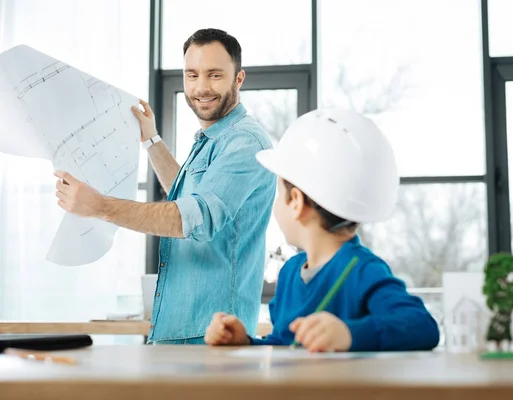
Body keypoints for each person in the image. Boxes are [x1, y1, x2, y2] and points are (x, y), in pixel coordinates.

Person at [53, 28, 276, 344]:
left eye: (214, 75)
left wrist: (99, 207)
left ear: (238, 79)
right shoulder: (214, 139)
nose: (201, 87)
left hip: (212, 338)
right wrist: (151, 140)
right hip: (178, 330)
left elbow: (194, 217)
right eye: (192, 75)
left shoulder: (244, 142)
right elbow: (186, 196)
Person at [204, 108, 440, 352]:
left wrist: (350, 334)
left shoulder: (363, 270)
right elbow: (286, 344)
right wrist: (245, 342)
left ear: (295, 201)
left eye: (278, 193)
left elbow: (422, 326)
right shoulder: (289, 273)